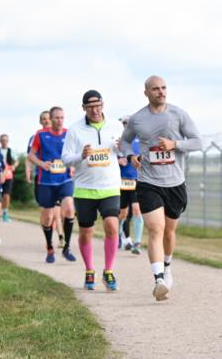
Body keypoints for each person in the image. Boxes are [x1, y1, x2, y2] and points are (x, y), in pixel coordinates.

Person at [122, 75, 202, 301]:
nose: (161, 92)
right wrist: (131, 155)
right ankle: (158, 279)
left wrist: (175, 144)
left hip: (175, 183)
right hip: (148, 181)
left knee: (169, 231)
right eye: (155, 89)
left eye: (164, 88)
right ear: (146, 92)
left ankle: (167, 267)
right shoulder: (137, 119)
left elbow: (197, 141)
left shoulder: (178, 115)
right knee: (155, 229)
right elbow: (125, 140)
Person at [62, 90, 126, 291]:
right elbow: (65, 158)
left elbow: (125, 152)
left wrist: (121, 149)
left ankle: (109, 271)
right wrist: (81, 156)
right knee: (86, 232)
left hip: (109, 187)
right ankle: (89, 270)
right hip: (85, 189)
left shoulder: (116, 126)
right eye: (90, 107)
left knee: (112, 226)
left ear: (103, 104)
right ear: (84, 108)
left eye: (98, 105)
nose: (95, 110)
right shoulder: (75, 130)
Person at [29, 106, 77, 263]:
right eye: (56, 117)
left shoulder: (68, 133)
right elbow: (31, 155)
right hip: (46, 182)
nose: (60, 120)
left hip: (64, 179)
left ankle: (67, 247)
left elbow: (74, 154)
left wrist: (73, 166)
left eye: (62, 117)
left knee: (69, 208)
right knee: (48, 217)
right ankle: (49, 247)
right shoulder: (41, 135)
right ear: (50, 119)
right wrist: (42, 164)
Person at [27, 111, 64, 247]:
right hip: (42, 179)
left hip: (59, 178)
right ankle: (50, 238)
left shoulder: (62, 135)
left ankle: (60, 237)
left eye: (48, 118)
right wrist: (28, 171)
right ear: (40, 121)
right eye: (43, 119)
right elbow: (29, 157)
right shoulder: (36, 136)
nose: (46, 121)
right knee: (47, 213)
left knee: (57, 211)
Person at [117, 116, 144, 256]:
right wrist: (118, 161)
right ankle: (119, 235)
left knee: (137, 210)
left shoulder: (141, 140)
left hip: (136, 181)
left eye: (129, 123)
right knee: (122, 213)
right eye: (124, 123)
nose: (127, 126)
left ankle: (137, 243)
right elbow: (110, 158)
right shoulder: (119, 141)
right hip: (121, 181)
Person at [0, 134, 16, 222]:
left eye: (6, 140)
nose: (4, 142)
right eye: (3, 140)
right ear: (0, 141)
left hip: (8, 176)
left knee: (6, 195)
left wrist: (13, 166)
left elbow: (16, 161)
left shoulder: (11, 151)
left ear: (7, 141)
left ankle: (5, 214)